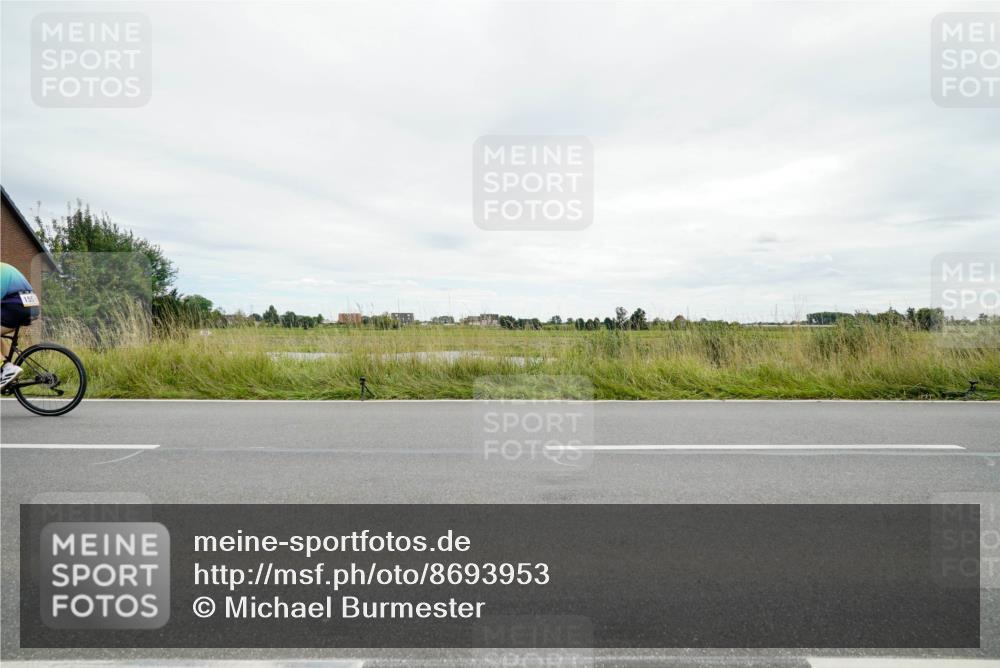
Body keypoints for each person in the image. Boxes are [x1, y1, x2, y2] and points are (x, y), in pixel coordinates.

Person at [1, 261, 39, 388]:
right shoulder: (5, 266)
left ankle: (6, 368)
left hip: (16, 306)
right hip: (30, 305)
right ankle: (7, 369)